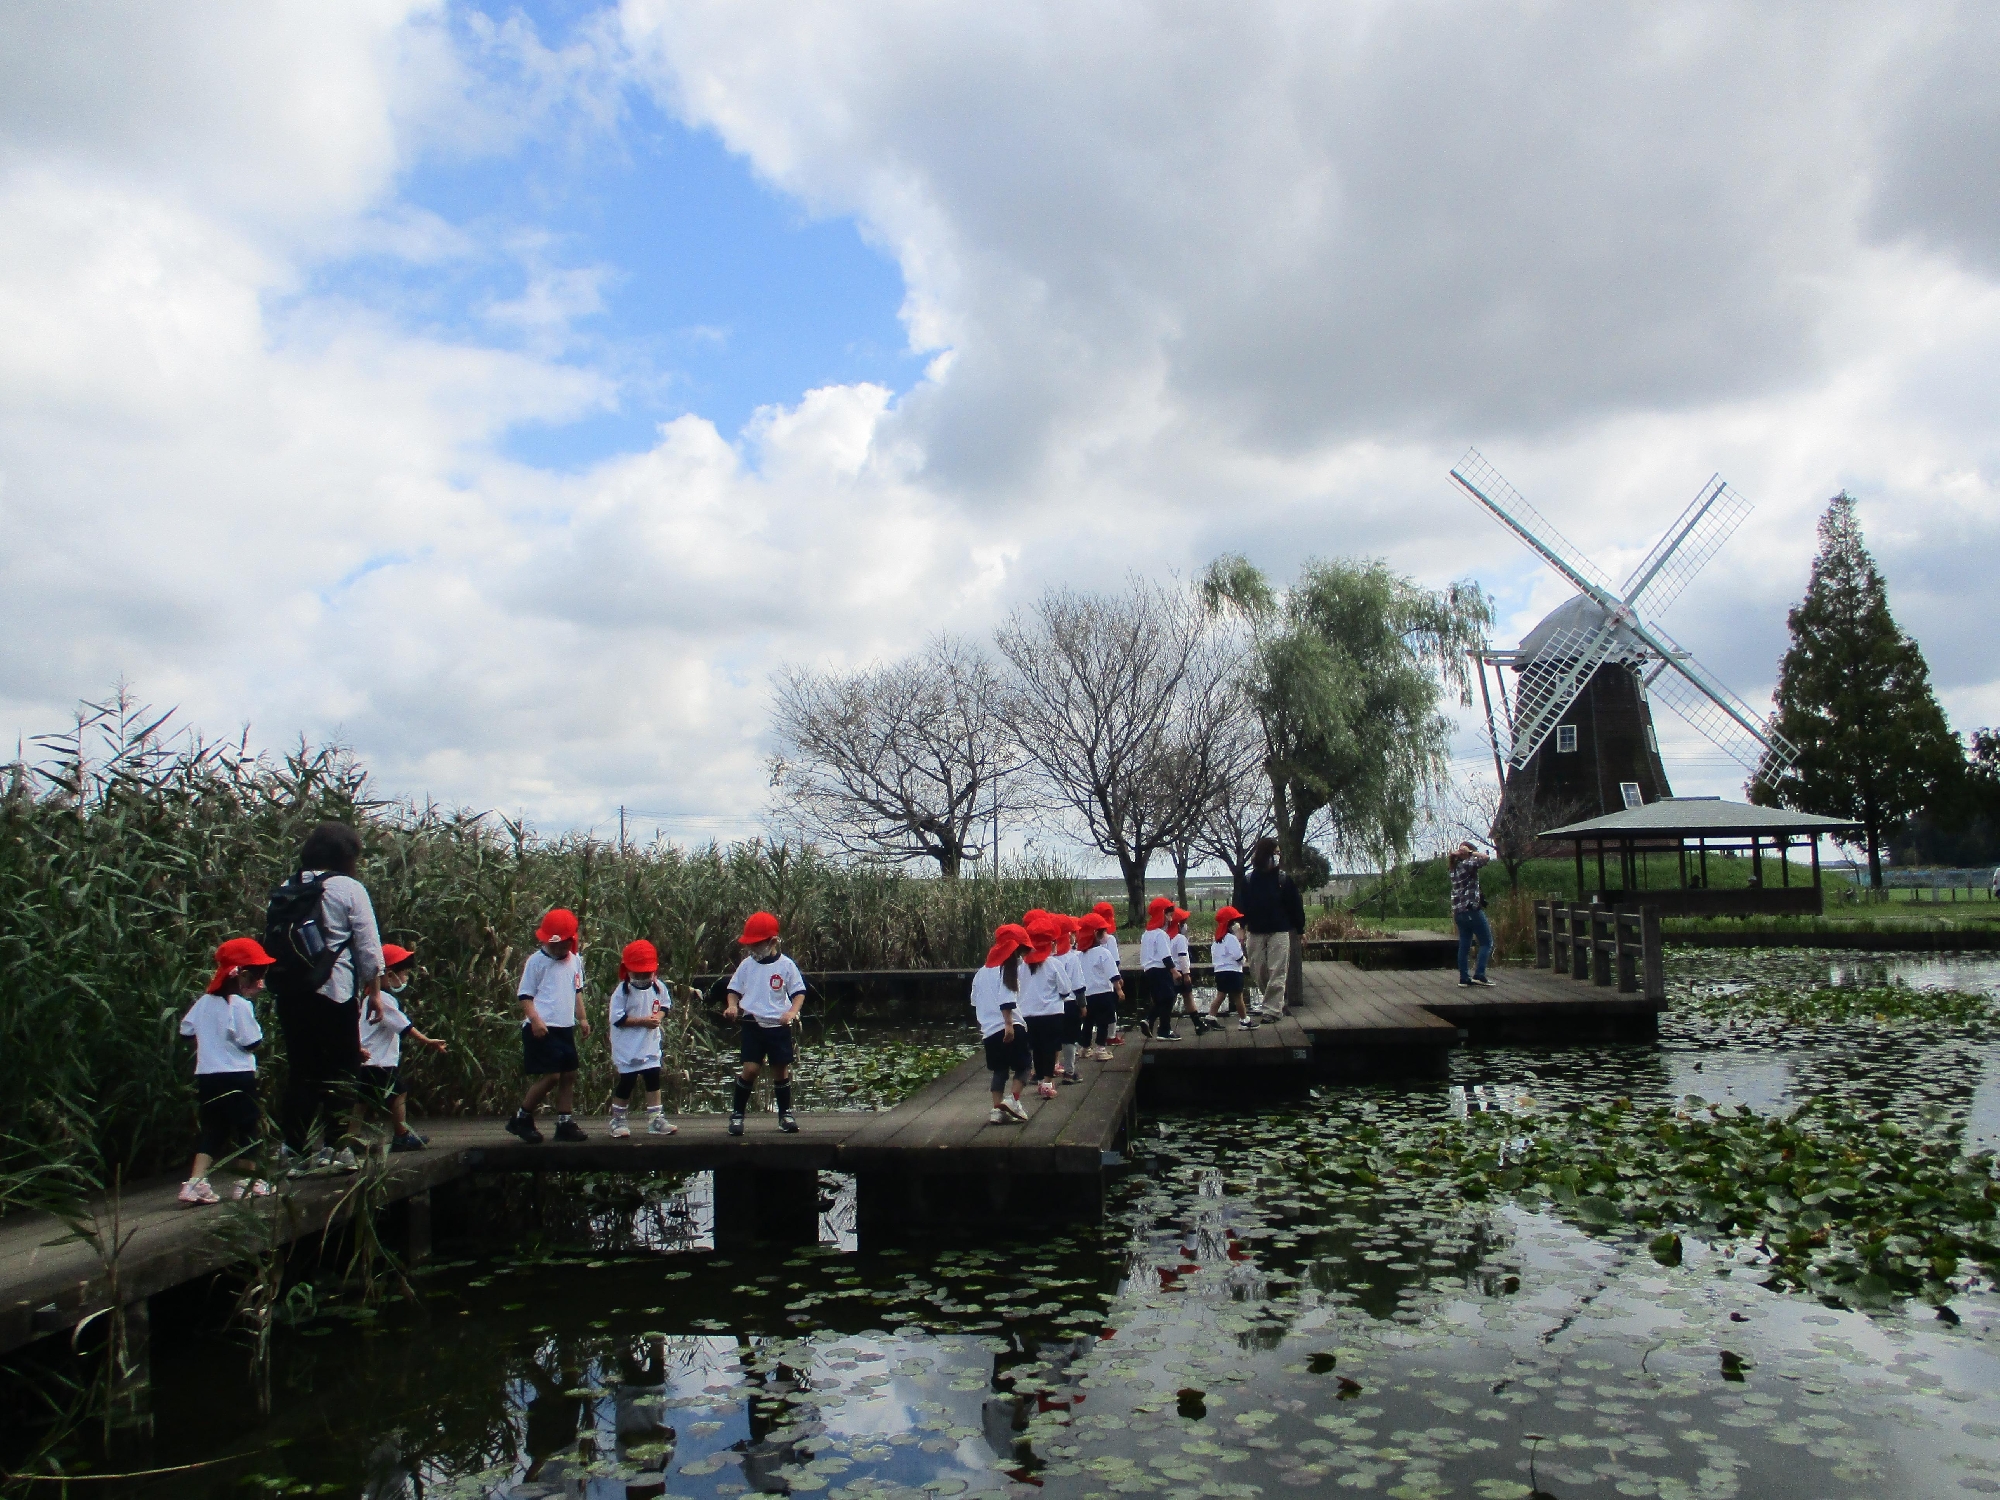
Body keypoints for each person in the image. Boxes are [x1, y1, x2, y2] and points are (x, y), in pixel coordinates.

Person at [268, 820, 384, 1168]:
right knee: (342, 1068)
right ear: (345, 856)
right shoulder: (347, 888)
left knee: (302, 1070)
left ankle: (294, 1150)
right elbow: (368, 945)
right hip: (333, 990)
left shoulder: (288, 886)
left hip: (291, 991)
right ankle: (336, 1148)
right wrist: (374, 989)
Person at [179, 937, 277, 1205]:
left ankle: (195, 1182)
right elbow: (251, 1042)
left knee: (214, 1128)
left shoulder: (203, 1003)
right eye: (256, 976)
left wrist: (209, 1038)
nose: (259, 983)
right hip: (237, 1076)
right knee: (247, 1127)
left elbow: (185, 1030)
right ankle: (248, 1181)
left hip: (207, 1075)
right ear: (242, 976)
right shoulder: (240, 1006)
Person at [505, 908, 591, 1144]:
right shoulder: (536, 962)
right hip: (542, 1027)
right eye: (554, 946)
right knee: (551, 1075)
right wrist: (535, 1020)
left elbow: (577, 992)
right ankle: (522, 1117)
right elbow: (525, 995)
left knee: (569, 1073)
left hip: (564, 1027)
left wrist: (582, 1019)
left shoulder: (574, 961)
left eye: (563, 945)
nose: (559, 950)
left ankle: (564, 1122)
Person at [357, 943, 447, 1152]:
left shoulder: (368, 997)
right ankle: (401, 1135)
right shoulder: (383, 1000)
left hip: (368, 1060)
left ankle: (350, 1137)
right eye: (404, 973)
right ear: (389, 975)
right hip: (380, 1061)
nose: (406, 978)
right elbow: (404, 1027)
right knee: (399, 1094)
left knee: (361, 1099)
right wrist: (428, 1041)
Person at [723, 911, 806, 1135]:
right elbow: (733, 990)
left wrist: (791, 1012)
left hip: (778, 1025)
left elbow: (798, 993)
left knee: (780, 1069)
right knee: (750, 1069)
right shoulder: (746, 966)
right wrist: (732, 1006)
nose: (753, 950)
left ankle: (785, 1114)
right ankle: (737, 1114)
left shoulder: (786, 965)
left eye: (757, 945)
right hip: (752, 1023)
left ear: (772, 942)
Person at [608, 939, 676, 1138]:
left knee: (653, 1078)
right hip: (628, 1045)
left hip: (649, 1042)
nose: (642, 977)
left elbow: (665, 1005)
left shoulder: (658, 987)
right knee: (627, 1080)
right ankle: (618, 1119)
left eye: (646, 973)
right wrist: (642, 1021)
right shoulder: (621, 992)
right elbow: (618, 1019)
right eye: (638, 973)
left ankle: (656, 1118)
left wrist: (657, 1018)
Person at [1234, 837, 1305, 1019]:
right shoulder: (1249, 880)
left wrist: (1300, 929)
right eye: (1275, 853)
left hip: (1279, 930)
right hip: (1256, 931)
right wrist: (1241, 926)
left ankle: (1272, 1011)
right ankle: (1277, 1002)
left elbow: (1295, 906)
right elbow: (1241, 906)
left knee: (1277, 970)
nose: (1278, 856)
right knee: (1259, 970)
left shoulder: (1283, 879)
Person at [973, 923, 1033, 1124]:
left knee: (1000, 1070)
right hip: (1011, 1027)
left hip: (989, 1031)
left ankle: (996, 1109)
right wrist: (1008, 1023)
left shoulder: (981, 972)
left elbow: (975, 1000)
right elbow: (1006, 997)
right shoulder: (1009, 968)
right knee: (1024, 1066)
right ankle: (1013, 1100)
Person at [1018, 911, 1069, 1097]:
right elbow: (1065, 989)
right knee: (1049, 1048)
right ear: (1050, 944)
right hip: (1051, 1013)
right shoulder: (1054, 964)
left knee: (1037, 1049)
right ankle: (1047, 1082)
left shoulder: (1021, 966)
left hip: (1028, 1014)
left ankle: (1040, 1079)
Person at [1449, 842, 1497, 987]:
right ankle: (1479, 975)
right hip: (1471, 910)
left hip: (1458, 913)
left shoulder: (1453, 868)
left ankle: (1464, 978)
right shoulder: (1467, 864)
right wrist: (1471, 853)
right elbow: (1486, 858)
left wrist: (1461, 853)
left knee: (1464, 945)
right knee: (1487, 942)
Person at [1076, 911, 1123, 1059]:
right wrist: (1119, 990)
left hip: (1087, 995)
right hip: (1103, 993)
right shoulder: (1103, 953)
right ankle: (1101, 1049)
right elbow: (1113, 974)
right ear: (1096, 934)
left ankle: (1084, 1047)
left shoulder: (1079, 955)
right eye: (1103, 932)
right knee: (1103, 1023)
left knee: (1088, 1023)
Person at [1168, 906, 1214, 1035]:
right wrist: (1186, 974)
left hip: (1171, 971)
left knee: (1172, 998)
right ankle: (1197, 1024)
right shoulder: (1180, 938)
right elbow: (1182, 957)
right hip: (1180, 972)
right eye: (1183, 923)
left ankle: (1197, 1023)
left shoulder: (1166, 937)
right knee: (1188, 997)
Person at [1140, 896, 1180, 1040]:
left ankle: (1149, 1020)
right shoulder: (1160, 934)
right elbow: (1166, 956)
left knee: (1160, 999)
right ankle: (1164, 1029)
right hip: (1160, 969)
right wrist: (1174, 971)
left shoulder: (1146, 934)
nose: (1170, 918)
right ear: (1161, 914)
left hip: (1149, 970)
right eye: (1168, 914)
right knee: (1169, 997)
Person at [1055, 914, 1088, 1084]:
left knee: (1049, 1041)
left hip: (1049, 1007)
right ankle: (1069, 1071)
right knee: (1069, 1039)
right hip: (1069, 1004)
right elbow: (1078, 985)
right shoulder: (1071, 958)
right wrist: (1082, 1005)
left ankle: (1042, 1075)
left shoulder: (1043, 960)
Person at [1208, 906, 1252, 1029]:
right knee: (1238, 996)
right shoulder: (1231, 939)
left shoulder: (1217, 940)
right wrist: (1243, 960)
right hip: (1233, 972)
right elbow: (1238, 956)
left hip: (1220, 972)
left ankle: (1210, 1017)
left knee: (1220, 995)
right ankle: (1244, 1020)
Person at [1089, 904, 1127, 1045]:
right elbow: (1115, 961)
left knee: (1093, 1014)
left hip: (1092, 980)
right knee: (1110, 1009)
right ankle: (1111, 1036)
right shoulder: (1110, 939)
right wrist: (1118, 979)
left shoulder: (1089, 937)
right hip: (1108, 980)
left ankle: (1087, 1043)